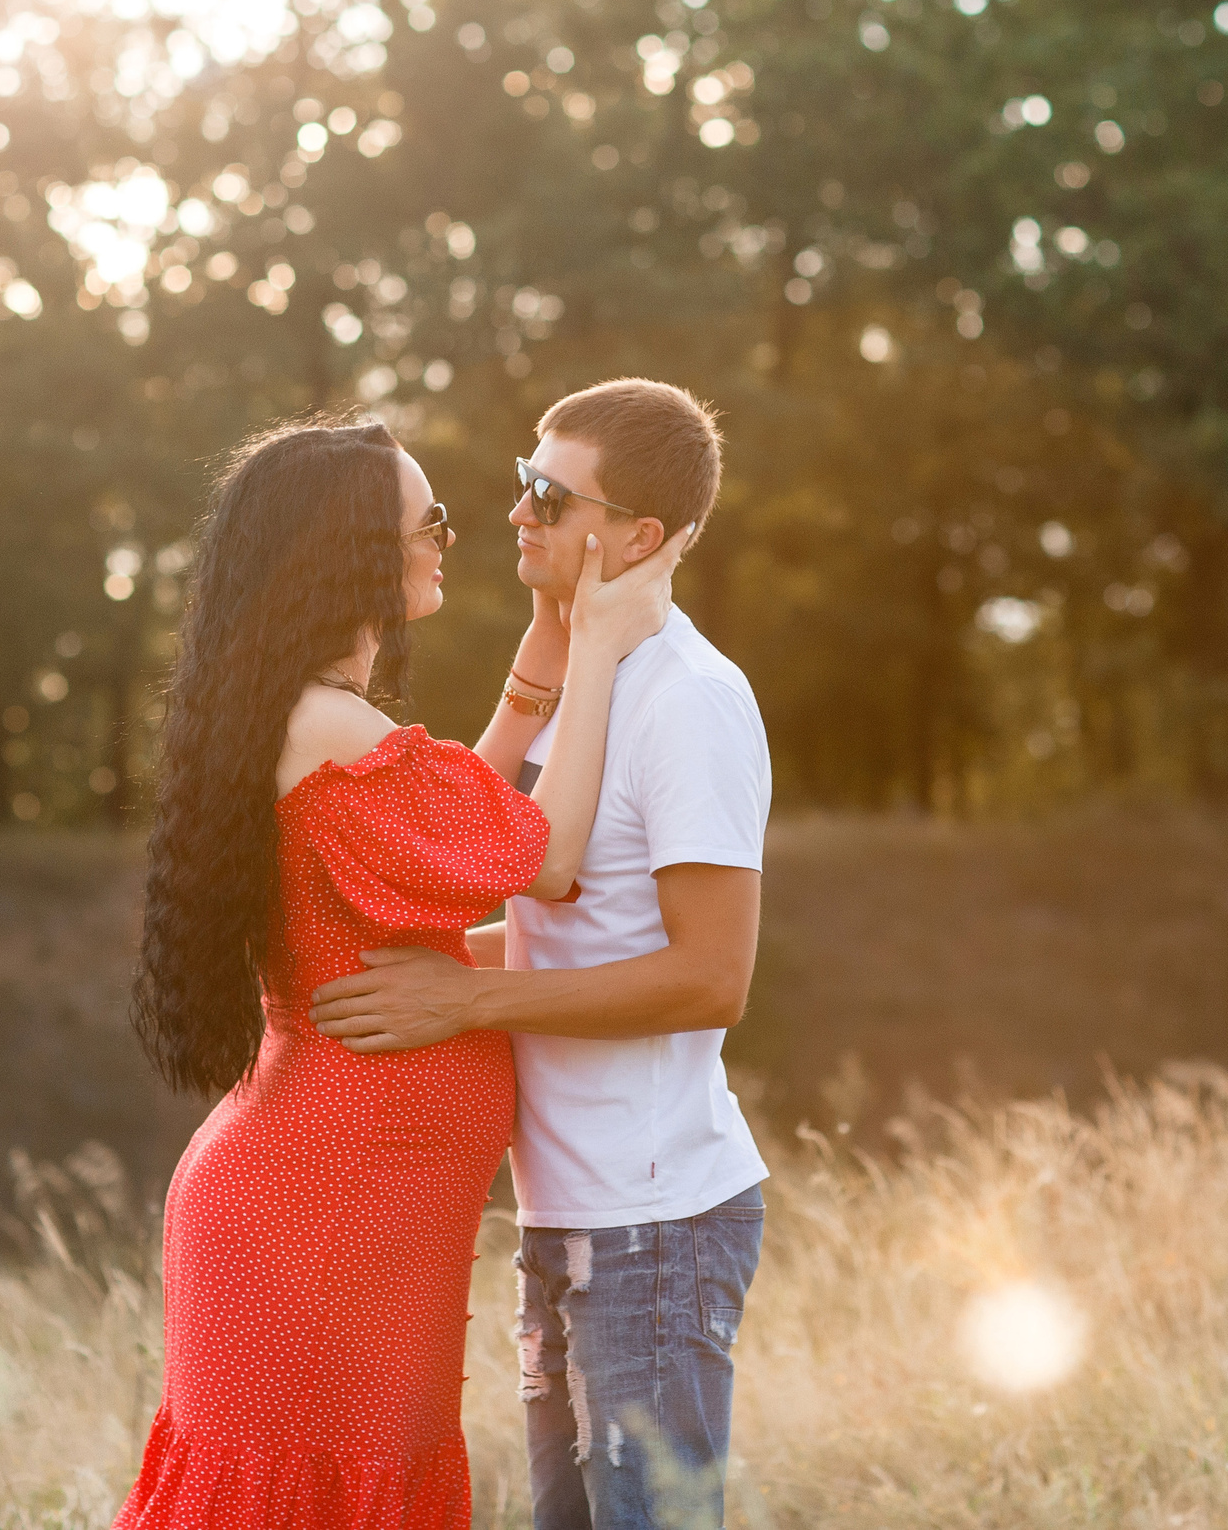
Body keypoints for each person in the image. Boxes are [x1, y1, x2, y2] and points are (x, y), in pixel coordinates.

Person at [114, 415, 689, 1530]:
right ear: (351, 553)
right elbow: (545, 858)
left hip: (331, 1201)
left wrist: (544, 651)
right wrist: (606, 648)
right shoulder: (327, 721)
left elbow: (455, 841)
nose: (448, 540)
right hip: (320, 1214)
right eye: (428, 523)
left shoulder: (308, 714)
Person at [309, 380, 770, 1530]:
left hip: (654, 1223)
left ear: (636, 539)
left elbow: (713, 977)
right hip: (566, 1212)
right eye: (525, 481)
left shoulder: (690, 704)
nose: (516, 511)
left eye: (549, 496)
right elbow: (557, 906)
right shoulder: (586, 692)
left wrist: (465, 1003)